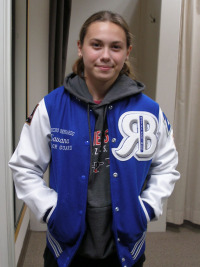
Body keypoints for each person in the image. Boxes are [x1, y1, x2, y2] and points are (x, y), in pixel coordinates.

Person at [9, 11, 180, 267]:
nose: (105, 56)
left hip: (125, 245)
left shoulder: (149, 111)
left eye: (116, 47)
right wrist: (50, 210)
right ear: (80, 48)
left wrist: (147, 209)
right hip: (65, 244)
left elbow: (166, 167)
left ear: (127, 52)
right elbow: (24, 166)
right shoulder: (51, 106)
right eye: (96, 44)